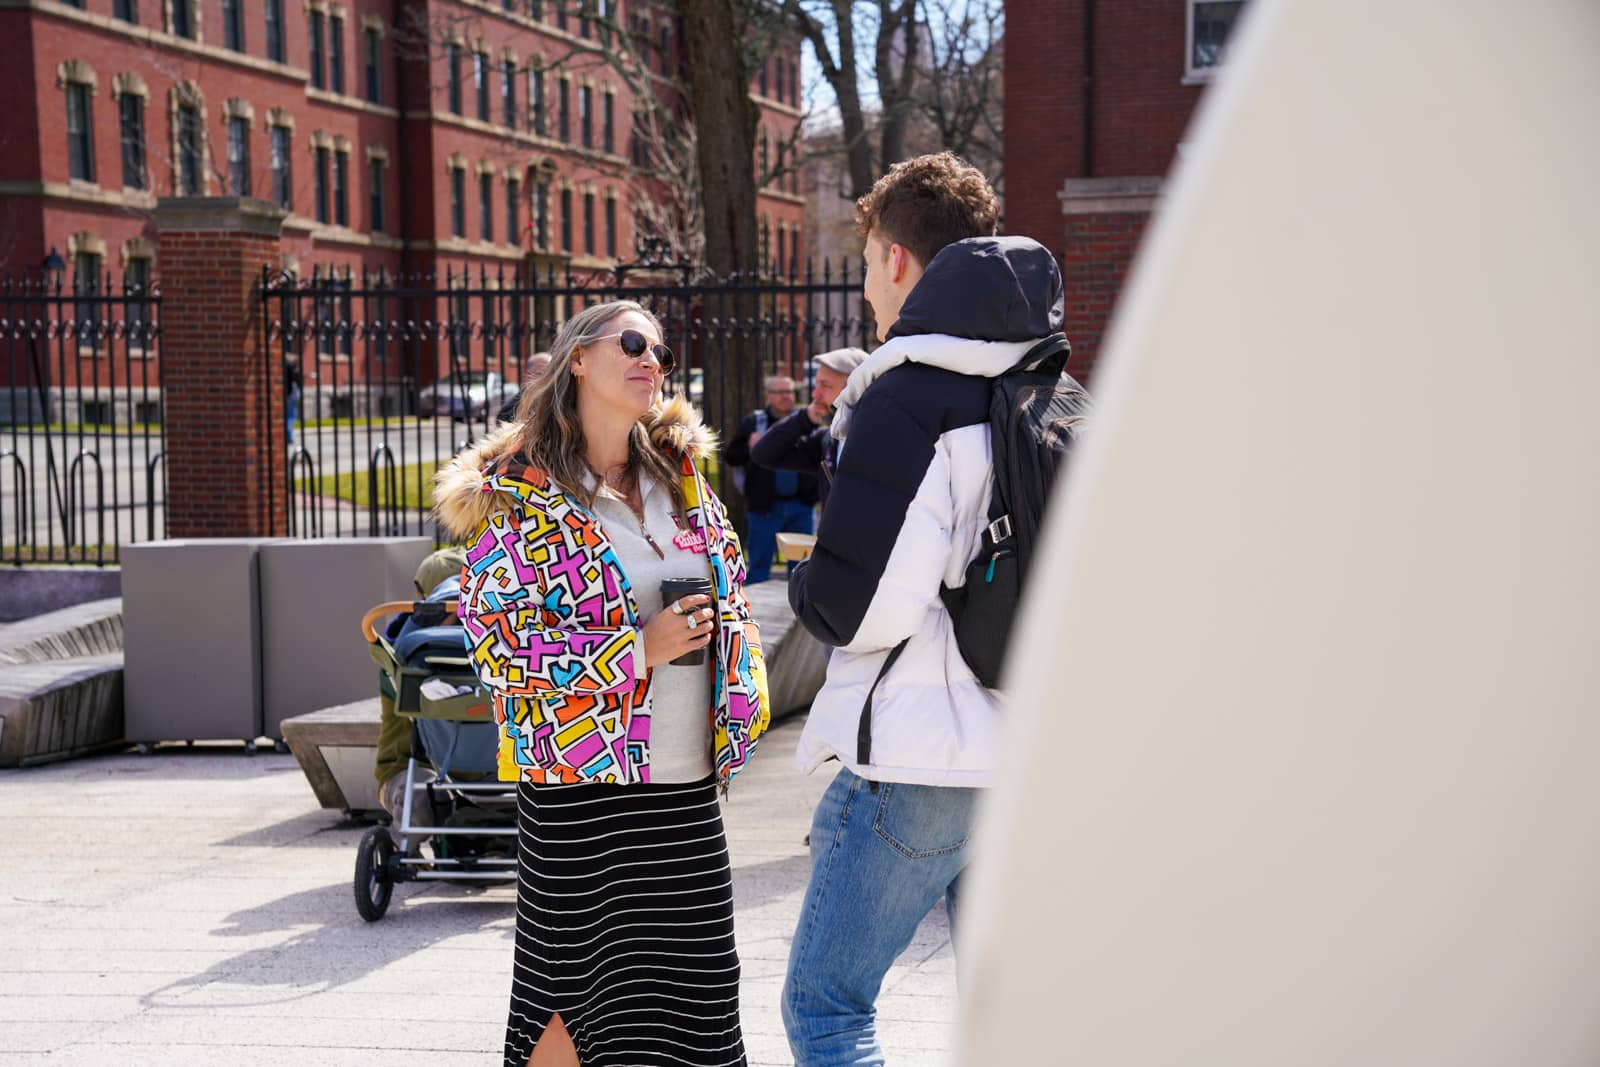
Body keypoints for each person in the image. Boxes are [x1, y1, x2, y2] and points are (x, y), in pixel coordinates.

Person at [781, 153, 1066, 1065]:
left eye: (868, 262)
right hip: (1026, 754)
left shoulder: (907, 397)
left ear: (898, 260)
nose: (867, 288)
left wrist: (802, 584)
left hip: (920, 756)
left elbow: (864, 609)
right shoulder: (1048, 388)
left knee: (828, 1009)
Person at [435, 299, 772, 1067]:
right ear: (578, 359)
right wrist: (633, 651)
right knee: (573, 1008)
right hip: (580, 789)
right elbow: (498, 647)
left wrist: (737, 679)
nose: (651, 359)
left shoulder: (683, 479)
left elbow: (736, 594)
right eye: (631, 342)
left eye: (659, 350)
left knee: (700, 1008)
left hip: (685, 787)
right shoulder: (520, 495)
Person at [724, 375, 820, 582]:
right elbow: (731, 457)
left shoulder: (807, 422)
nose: (786, 396)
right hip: (765, 508)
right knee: (758, 568)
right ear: (769, 395)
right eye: (780, 392)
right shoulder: (754, 423)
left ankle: (798, 604)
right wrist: (748, 447)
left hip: (801, 506)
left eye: (789, 392)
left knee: (802, 570)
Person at [749, 347, 870, 507]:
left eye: (825, 385)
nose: (815, 394)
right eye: (816, 384)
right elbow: (763, 454)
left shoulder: (878, 438)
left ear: (855, 389)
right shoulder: (828, 440)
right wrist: (805, 418)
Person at [496, 350, 553, 423]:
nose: (547, 379)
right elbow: (502, 423)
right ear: (529, 375)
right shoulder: (511, 409)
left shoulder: (556, 400)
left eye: (550, 374)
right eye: (541, 374)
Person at [284, 353, 302, 445]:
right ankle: (289, 437)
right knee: (291, 415)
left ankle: (288, 436)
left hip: (287, 394)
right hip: (291, 395)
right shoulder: (292, 369)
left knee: (288, 415)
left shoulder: (285, 368)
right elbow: (297, 382)